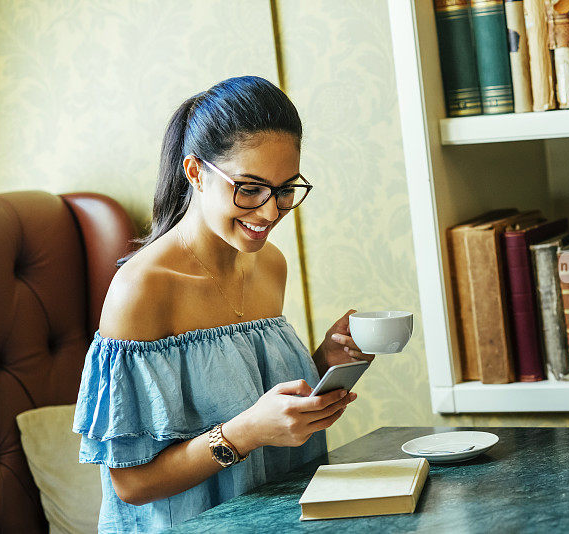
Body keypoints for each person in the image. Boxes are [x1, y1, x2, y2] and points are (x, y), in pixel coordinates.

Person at [72, 75, 373, 532]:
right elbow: (131, 484)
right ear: (194, 172)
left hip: (275, 519)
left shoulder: (270, 264)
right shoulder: (142, 289)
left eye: (285, 189)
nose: (270, 212)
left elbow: (254, 399)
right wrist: (248, 432)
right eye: (249, 188)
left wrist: (324, 362)